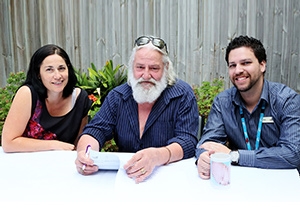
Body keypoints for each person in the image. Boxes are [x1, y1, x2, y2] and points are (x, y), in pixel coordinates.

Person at [75, 35, 199, 183]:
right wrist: (85, 153)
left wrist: (158, 155)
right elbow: (96, 130)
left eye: (154, 68)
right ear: (132, 67)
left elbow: (188, 141)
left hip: (169, 179)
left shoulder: (182, 95)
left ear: (166, 68)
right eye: (140, 67)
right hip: (126, 179)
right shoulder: (118, 96)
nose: (146, 75)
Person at [196, 35, 300, 179]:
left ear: (262, 65)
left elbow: (293, 154)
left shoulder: (287, 100)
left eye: (245, 63)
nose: (238, 70)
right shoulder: (223, 102)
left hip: (279, 181)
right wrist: (204, 157)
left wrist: (235, 156)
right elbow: (207, 144)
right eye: (232, 65)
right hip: (240, 180)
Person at [1, 44, 91, 152]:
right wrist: (53, 145)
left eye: (61, 68)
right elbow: (8, 143)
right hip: (25, 162)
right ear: (39, 73)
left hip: (61, 164)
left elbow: (78, 146)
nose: (57, 76)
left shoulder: (80, 99)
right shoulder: (27, 94)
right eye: (49, 70)